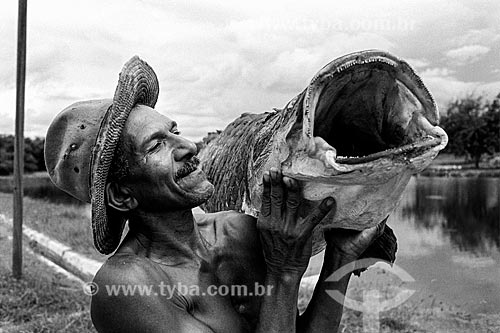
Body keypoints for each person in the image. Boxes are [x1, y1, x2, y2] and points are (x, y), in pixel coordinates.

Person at [45, 56, 389, 332]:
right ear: (122, 195)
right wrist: (285, 270)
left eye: (175, 131)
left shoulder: (239, 230)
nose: (189, 147)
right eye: (156, 145)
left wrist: (340, 259)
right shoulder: (127, 285)